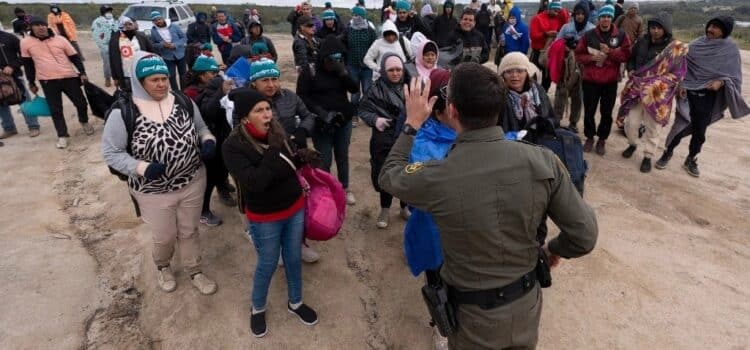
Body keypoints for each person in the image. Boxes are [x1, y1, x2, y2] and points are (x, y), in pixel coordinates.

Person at [379, 63, 598, 349]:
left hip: (472, 318)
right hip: (526, 304)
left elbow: (389, 175)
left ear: (453, 110)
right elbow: (584, 235)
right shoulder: (542, 160)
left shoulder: (438, 175)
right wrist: (553, 250)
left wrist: (411, 124)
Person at [101, 52, 218, 296]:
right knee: (165, 236)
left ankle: (194, 269)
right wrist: (142, 168)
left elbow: (201, 128)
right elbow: (112, 153)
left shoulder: (182, 100)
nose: (162, 84)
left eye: (164, 78)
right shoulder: (123, 112)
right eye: (154, 79)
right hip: (152, 191)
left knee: (189, 230)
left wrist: (207, 140)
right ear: (140, 82)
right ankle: (163, 266)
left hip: (192, 181)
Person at [223, 88, 320, 339]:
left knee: (293, 257)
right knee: (267, 263)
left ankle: (295, 302)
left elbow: (287, 167)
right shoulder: (233, 145)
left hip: (294, 207)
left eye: (267, 108)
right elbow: (255, 182)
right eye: (259, 110)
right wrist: (274, 150)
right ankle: (258, 307)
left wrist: (302, 158)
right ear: (245, 117)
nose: (267, 114)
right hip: (265, 217)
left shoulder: (277, 131)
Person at [656, 16, 750, 177]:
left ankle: (691, 158)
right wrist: (681, 84)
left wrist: (721, 82)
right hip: (688, 93)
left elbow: (733, 76)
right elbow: (681, 67)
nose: (710, 30)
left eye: (716, 27)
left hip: (709, 96)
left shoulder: (730, 49)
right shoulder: (696, 44)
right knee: (681, 124)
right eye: (710, 26)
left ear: (725, 31)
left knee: (700, 130)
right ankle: (668, 152)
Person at [617, 12, 686, 173]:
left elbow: (678, 73)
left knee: (653, 127)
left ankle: (648, 156)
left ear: (666, 29)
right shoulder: (642, 42)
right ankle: (632, 144)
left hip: (656, 96)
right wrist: (631, 69)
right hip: (636, 90)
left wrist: (658, 84)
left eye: (658, 28)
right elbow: (631, 59)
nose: (654, 31)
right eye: (653, 27)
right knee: (631, 123)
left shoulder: (673, 49)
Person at [297, 36, 359, 205]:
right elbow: (302, 96)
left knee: (342, 156)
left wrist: (344, 73)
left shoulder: (340, 70)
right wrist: (322, 113)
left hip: (343, 121)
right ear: (323, 57)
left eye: (339, 58)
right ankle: (325, 190)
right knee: (323, 159)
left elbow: (354, 89)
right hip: (321, 122)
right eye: (332, 59)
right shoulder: (310, 71)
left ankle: (344, 188)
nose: (335, 62)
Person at [21, 17, 92, 149]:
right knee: (56, 109)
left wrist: (82, 72)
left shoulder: (60, 39)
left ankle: (84, 121)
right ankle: (62, 135)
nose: (41, 27)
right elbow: (28, 65)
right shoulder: (26, 43)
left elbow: (74, 57)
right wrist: (31, 82)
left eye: (42, 24)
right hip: (47, 81)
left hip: (69, 77)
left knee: (81, 103)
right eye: (37, 25)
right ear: (31, 27)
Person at [183, 56, 236, 226]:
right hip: (206, 141)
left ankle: (223, 186)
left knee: (223, 166)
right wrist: (221, 91)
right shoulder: (190, 93)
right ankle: (203, 211)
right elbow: (207, 113)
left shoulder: (216, 86)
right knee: (209, 176)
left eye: (217, 71)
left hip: (222, 136)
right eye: (212, 72)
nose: (216, 75)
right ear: (201, 75)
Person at [359, 53, 410, 228]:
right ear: (383, 70)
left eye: (398, 69)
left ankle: (405, 207)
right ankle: (385, 209)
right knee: (385, 172)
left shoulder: (410, 85)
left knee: (407, 172)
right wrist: (375, 120)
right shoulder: (374, 89)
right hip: (384, 138)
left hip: (407, 136)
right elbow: (363, 110)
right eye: (391, 70)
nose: (395, 73)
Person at [574, 4, 631, 155]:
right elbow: (578, 55)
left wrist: (610, 52)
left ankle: (602, 140)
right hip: (590, 80)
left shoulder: (620, 35)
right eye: (603, 16)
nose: (605, 19)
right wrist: (592, 57)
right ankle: (590, 137)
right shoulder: (589, 35)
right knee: (589, 111)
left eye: (608, 16)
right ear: (598, 18)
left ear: (612, 18)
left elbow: (626, 55)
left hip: (610, 82)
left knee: (606, 113)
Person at [553, 1, 594, 133]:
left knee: (578, 95)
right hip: (565, 66)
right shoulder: (566, 27)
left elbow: (595, 48)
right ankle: (556, 119)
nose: (580, 16)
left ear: (586, 15)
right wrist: (565, 46)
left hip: (583, 67)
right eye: (577, 14)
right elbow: (556, 43)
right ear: (574, 15)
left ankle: (573, 122)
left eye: (582, 14)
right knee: (561, 92)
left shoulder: (592, 29)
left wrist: (581, 47)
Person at [497, 52, 555, 132]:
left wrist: (545, 125)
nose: (514, 75)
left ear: (527, 73)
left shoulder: (538, 91)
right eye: (509, 71)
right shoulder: (498, 96)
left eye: (520, 71)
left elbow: (551, 117)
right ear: (503, 75)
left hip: (538, 140)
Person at [0, 29, 40, 139]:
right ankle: (9, 128)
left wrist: (12, 66)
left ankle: (33, 126)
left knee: (23, 99)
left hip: (13, 76)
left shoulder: (9, 37)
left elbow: (24, 55)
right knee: (1, 103)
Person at [343, 6, 377, 127]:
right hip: (352, 66)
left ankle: (368, 116)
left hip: (366, 67)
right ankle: (354, 115)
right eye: (354, 15)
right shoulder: (348, 29)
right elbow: (343, 44)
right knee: (355, 93)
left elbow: (375, 46)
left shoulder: (370, 30)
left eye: (359, 16)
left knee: (367, 91)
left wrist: (374, 62)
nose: (356, 18)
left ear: (363, 17)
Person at [109, 16, 155, 91]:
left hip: (142, 71)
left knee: (145, 93)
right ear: (121, 25)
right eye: (125, 24)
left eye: (130, 24)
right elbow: (112, 59)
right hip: (126, 74)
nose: (128, 26)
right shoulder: (115, 39)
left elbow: (152, 52)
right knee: (129, 95)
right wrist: (115, 77)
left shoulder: (141, 36)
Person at [529, 0, 567, 90]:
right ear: (549, 9)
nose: (556, 13)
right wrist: (545, 34)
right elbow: (533, 36)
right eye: (555, 10)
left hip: (550, 53)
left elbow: (565, 20)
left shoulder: (557, 18)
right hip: (537, 52)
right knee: (532, 76)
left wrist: (560, 9)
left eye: (558, 11)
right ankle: (532, 94)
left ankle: (543, 94)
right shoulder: (537, 18)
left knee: (547, 79)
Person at [149, 11, 187, 92]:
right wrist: (162, 44)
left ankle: (184, 92)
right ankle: (176, 92)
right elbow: (153, 44)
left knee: (183, 75)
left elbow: (184, 38)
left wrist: (175, 44)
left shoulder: (174, 26)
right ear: (153, 22)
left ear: (163, 18)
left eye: (159, 19)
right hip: (167, 56)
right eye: (155, 20)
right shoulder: (153, 31)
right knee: (171, 76)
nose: (158, 21)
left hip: (180, 54)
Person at [91, 5, 118, 87]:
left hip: (116, 45)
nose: (110, 13)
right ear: (103, 12)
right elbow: (96, 36)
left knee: (117, 63)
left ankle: (117, 79)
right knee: (107, 63)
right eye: (107, 11)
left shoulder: (114, 21)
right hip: (105, 46)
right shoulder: (97, 22)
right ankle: (107, 78)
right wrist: (103, 47)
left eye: (110, 11)